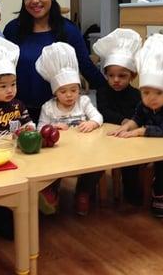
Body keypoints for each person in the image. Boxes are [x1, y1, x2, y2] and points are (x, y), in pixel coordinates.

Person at [108, 34, 163, 230]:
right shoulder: (143, 104)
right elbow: (136, 117)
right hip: (161, 152)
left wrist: (139, 132)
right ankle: (159, 194)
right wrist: (126, 127)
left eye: (158, 93)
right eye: (146, 92)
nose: (151, 99)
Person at [3, 0, 105, 122]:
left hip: (59, 114)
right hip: (19, 111)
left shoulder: (69, 30)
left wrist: (113, 91)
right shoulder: (13, 29)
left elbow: (86, 66)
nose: (35, 1)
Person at [35, 42, 103, 215]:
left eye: (74, 90)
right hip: (59, 154)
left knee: (98, 166)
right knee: (50, 167)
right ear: (55, 93)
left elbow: (98, 117)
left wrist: (92, 123)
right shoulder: (48, 108)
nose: (69, 95)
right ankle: (52, 191)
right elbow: (40, 128)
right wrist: (51, 126)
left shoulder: (84, 102)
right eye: (63, 91)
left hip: (83, 152)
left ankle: (83, 192)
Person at [93, 28, 143, 205]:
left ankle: (132, 192)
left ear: (133, 76)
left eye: (122, 76)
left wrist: (132, 124)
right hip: (108, 137)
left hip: (130, 138)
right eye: (111, 75)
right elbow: (104, 112)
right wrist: (124, 121)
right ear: (105, 75)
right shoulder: (102, 92)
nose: (116, 80)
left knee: (132, 162)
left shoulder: (136, 95)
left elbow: (139, 114)